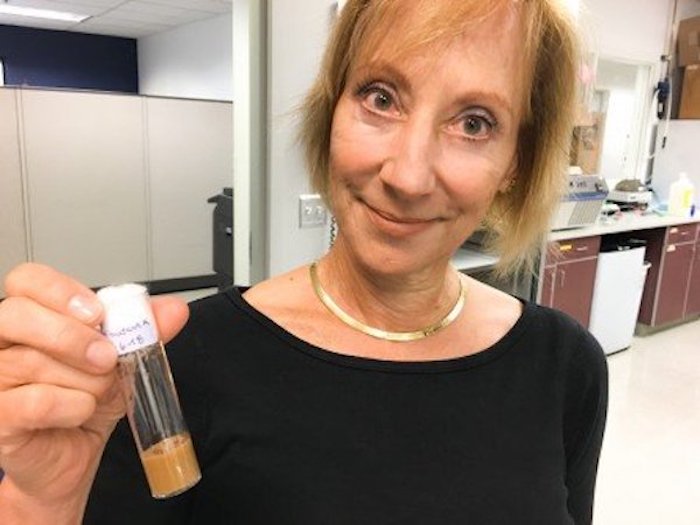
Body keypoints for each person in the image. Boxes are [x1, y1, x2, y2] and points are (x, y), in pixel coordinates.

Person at [0, 0, 607, 523]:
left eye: (474, 123)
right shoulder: (185, 365)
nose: (407, 174)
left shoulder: (566, 369)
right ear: (332, 110)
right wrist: (41, 504)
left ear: (516, 165)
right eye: (381, 97)